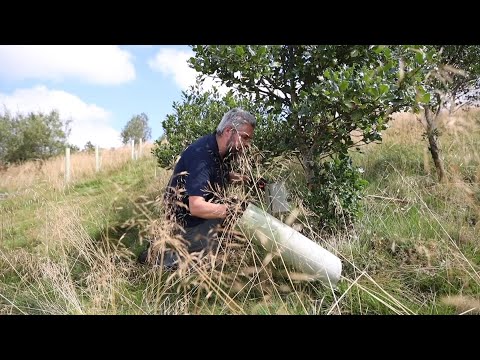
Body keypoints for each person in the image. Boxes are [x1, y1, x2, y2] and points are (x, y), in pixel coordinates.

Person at [138, 108, 257, 269]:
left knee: (235, 229)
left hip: (199, 218)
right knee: (210, 258)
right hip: (185, 222)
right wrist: (232, 211)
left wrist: (244, 179)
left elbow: (216, 174)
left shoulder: (219, 150)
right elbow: (196, 207)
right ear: (229, 131)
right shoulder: (202, 156)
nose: (247, 145)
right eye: (244, 138)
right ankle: (159, 255)